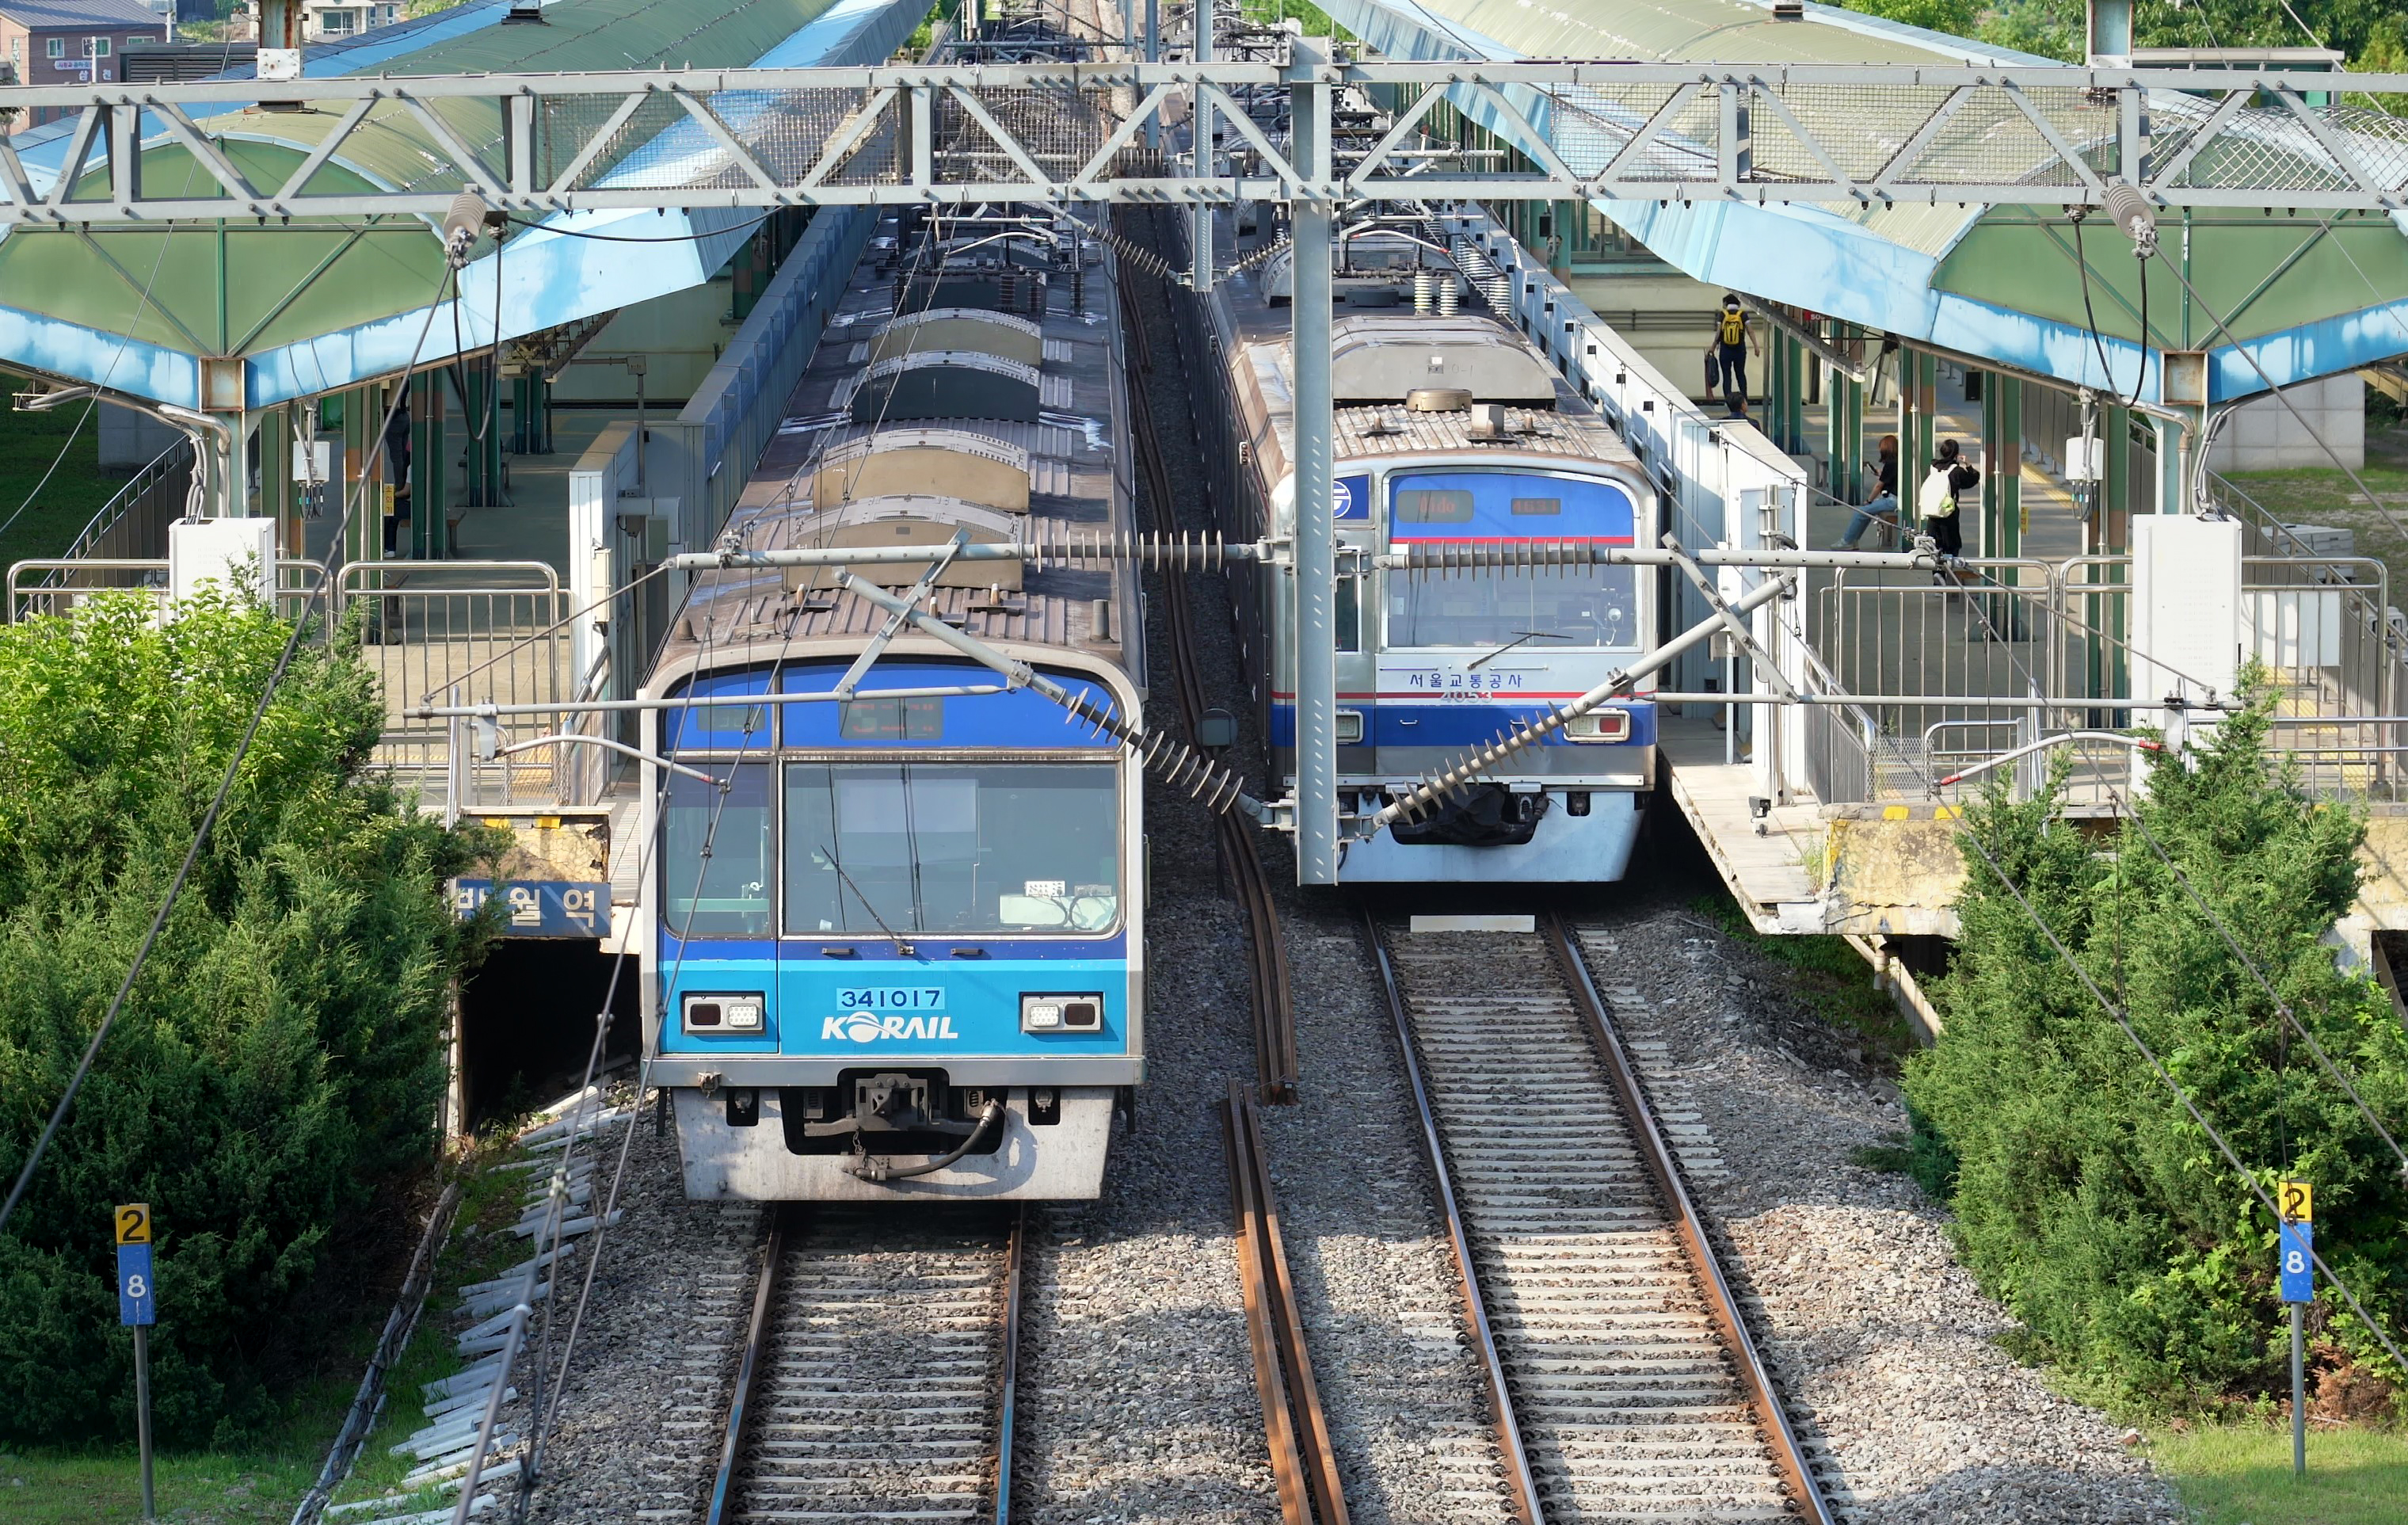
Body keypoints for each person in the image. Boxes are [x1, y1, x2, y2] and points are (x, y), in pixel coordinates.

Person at [1918, 437, 1980, 577]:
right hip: (1948, 514)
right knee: (1952, 546)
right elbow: (1973, 479)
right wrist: (1968, 465)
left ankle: (1937, 578)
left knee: (1936, 548)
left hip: (1932, 513)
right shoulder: (1956, 471)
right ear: (1956, 454)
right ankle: (1950, 578)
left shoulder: (1932, 468)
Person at [1833, 434, 1900, 550]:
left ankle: (1847, 541)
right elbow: (1890, 478)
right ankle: (1853, 541)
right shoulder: (1899, 461)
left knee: (1861, 512)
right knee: (1866, 513)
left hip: (1892, 500)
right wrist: (1881, 474)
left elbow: (1879, 486)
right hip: (1896, 498)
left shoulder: (1890, 464)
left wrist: (1869, 500)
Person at [1703, 294, 1759, 420]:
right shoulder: (1742, 315)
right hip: (1740, 350)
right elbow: (1750, 331)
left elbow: (1718, 333)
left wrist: (1713, 347)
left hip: (1725, 350)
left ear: (1726, 303)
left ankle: (1728, 401)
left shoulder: (1722, 315)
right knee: (1740, 374)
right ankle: (1744, 399)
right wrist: (1756, 346)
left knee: (1727, 376)